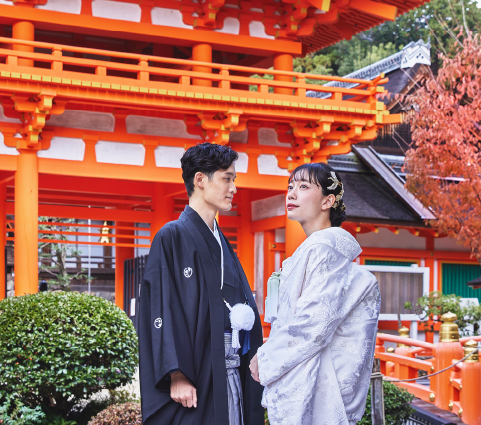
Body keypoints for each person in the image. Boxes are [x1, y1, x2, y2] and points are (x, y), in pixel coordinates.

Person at [137, 142, 264, 425]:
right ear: (200, 180)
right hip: (196, 369)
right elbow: (160, 306)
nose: (233, 188)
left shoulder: (222, 242)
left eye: (234, 180)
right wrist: (176, 373)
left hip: (230, 368)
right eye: (227, 179)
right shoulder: (171, 235)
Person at [250, 162, 381, 425]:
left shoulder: (324, 248)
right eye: (290, 186)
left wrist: (265, 358)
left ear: (327, 201)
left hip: (318, 387)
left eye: (303, 186)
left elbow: (314, 322)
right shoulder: (317, 248)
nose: (291, 193)